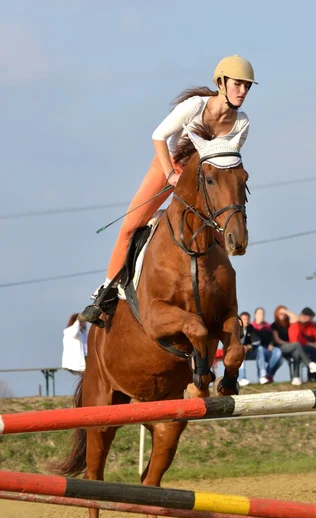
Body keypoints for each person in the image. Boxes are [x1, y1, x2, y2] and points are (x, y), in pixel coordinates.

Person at [79, 55, 257, 326]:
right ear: (221, 83)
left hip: (202, 180)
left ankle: (219, 299)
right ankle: (106, 294)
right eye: (238, 84)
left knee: (220, 236)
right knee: (130, 227)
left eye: (247, 86)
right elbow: (158, 136)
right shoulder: (195, 106)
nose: (243, 91)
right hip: (169, 167)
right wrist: (171, 174)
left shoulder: (241, 122)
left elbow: (225, 163)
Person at [271, 305, 316, 386]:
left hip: (292, 347)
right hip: (281, 347)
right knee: (297, 345)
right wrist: (291, 344)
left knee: (296, 353)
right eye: (280, 313)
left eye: (283, 313)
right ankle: (309, 364)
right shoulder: (274, 325)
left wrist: (286, 311)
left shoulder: (289, 323)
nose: (282, 315)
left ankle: (296, 377)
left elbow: (297, 318)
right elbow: (277, 340)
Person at [288, 307, 316, 382]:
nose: (311, 319)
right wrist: (313, 344)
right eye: (310, 317)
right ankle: (297, 376)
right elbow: (296, 340)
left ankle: (312, 377)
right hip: (294, 347)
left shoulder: (310, 325)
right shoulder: (295, 324)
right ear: (305, 316)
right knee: (298, 351)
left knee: (314, 351)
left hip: (308, 347)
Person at [252, 308, 283, 383]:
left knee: (279, 356)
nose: (261, 315)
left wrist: (271, 344)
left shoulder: (268, 326)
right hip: (255, 349)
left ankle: (268, 374)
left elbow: (272, 338)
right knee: (260, 349)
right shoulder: (251, 326)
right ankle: (262, 375)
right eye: (259, 314)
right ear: (255, 315)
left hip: (267, 349)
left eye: (262, 314)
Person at [238, 312, 268, 386]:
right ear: (240, 320)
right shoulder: (236, 328)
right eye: (244, 319)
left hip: (248, 351)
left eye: (248, 319)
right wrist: (241, 347)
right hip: (237, 352)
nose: (246, 321)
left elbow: (257, 341)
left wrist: (249, 346)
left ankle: (262, 376)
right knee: (241, 351)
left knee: (260, 349)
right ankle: (242, 378)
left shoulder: (250, 327)